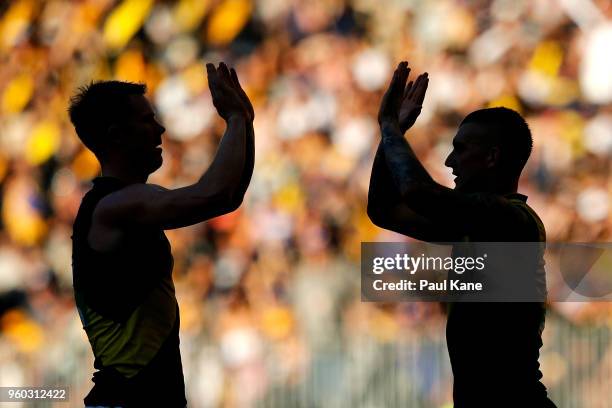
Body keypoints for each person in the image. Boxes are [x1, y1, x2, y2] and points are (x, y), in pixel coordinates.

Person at [367, 61, 556, 407]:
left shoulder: (514, 222)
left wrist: (391, 128)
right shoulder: (475, 226)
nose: (451, 161)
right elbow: (382, 209)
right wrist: (392, 133)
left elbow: (418, 193)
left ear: (491, 158)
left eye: (462, 149)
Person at [69, 62, 254, 407]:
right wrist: (236, 120)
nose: (160, 129)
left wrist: (244, 120)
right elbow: (217, 195)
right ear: (116, 135)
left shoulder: (122, 202)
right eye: (146, 120)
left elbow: (230, 197)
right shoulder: (115, 206)